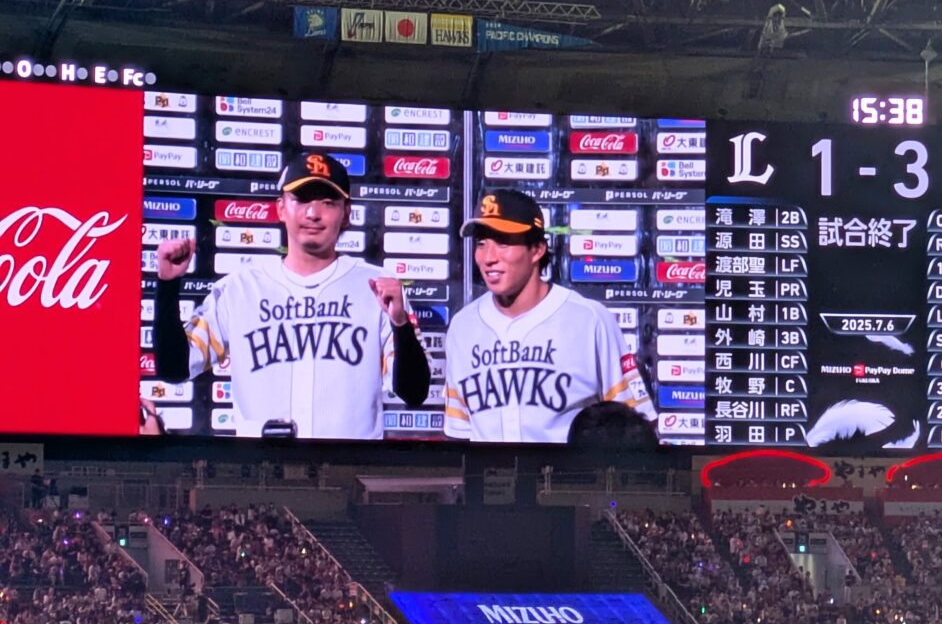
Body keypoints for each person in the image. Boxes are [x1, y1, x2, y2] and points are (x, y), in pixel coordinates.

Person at [154, 152, 430, 438]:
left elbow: (414, 392)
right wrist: (167, 286)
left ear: (346, 214)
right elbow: (175, 369)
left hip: (348, 463)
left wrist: (400, 324)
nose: (313, 213)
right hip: (261, 464)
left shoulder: (376, 287)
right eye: (301, 200)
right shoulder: (239, 289)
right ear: (281, 208)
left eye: (328, 202)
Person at [444, 188, 656, 443]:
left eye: (503, 242)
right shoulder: (463, 327)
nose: (489, 258)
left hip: (567, 470)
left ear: (537, 249)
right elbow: (459, 433)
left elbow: (636, 428)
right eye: (481, 244)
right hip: (488, 469)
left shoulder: (589, 320)